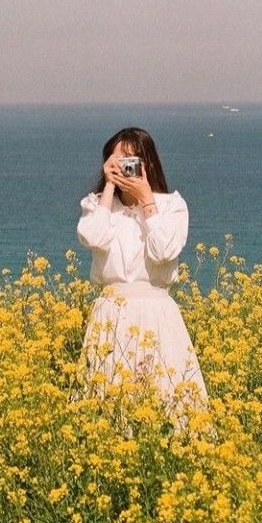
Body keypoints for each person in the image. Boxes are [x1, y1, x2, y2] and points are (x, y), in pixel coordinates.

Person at [73, 126, 209, 431]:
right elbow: (93, 236)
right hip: (112, 313)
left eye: (132, 161)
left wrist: (147, 202)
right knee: (108, 409)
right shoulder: (97, 206)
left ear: (148, 164)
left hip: (157, 315)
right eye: (117, 161)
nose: (125, 168)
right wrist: (108, 190)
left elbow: (163, 251)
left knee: (170, 406)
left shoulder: (172, 206)